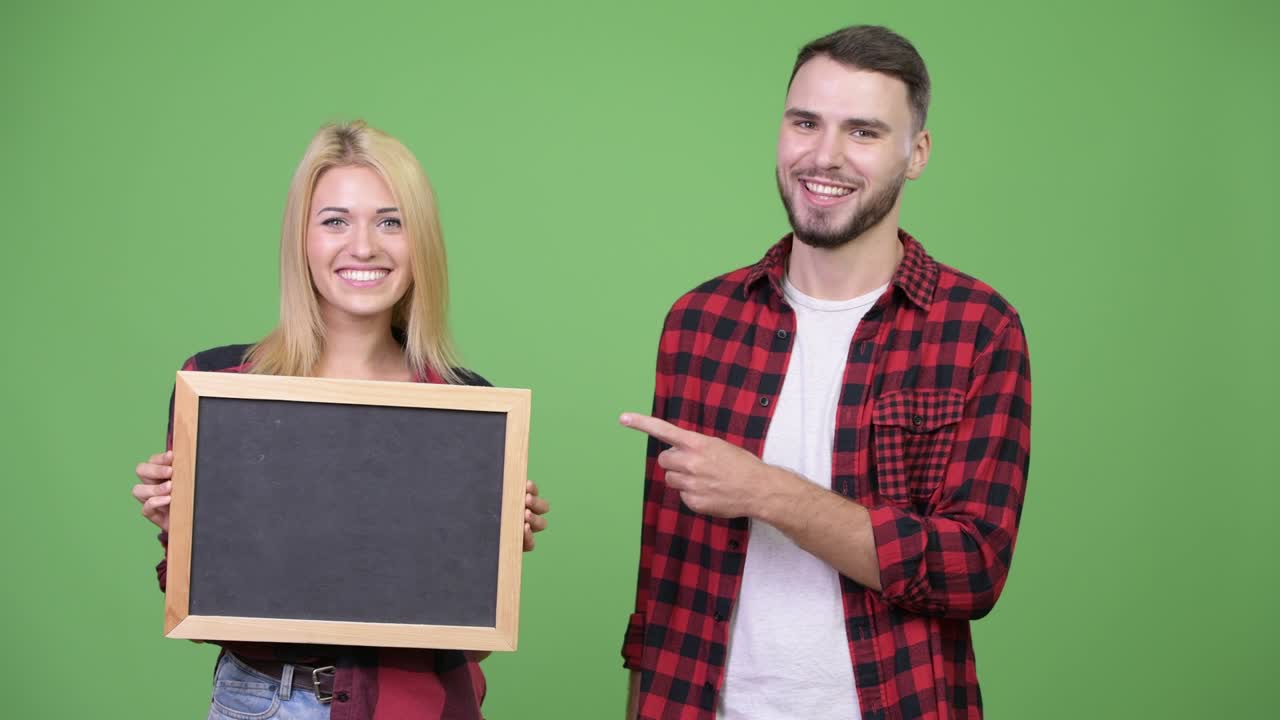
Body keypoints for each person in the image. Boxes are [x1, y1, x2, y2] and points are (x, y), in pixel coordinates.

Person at [619, 25, 1032, 720]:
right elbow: (665, 573)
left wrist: (769, 493)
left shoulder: (977, 328)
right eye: (805, 122)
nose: (824, 155)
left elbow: (972, 568)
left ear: (916, 153)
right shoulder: (700, 321)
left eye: (863, 132)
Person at [131, 120, 550, 720]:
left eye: (390, 221)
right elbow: (209, 607)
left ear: (420, 241)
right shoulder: (226, 389)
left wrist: (492, 544)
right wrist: (183, 525)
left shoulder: (466, 408)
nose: (363, 247)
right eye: (335, 221)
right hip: (266, 701)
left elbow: (466, 630)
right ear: (301, 238)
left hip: (419, 704)